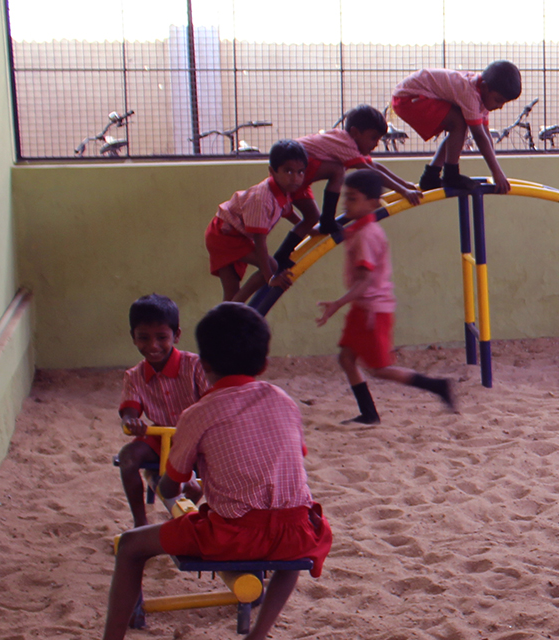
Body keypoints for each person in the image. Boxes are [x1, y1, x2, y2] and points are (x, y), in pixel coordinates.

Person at [102, 302, 332, 640]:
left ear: (204, 364)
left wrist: (180, 487)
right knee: (291, 553)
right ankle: (259, 633)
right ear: (265, 363)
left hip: (232, 536)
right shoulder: (284, 400)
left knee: (130, 548)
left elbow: (169, 488)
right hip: (295, 531)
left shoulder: (198, 413)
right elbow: (290, 457)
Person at [317, 169, 457, 424]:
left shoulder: (366, 236)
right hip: (364, 308)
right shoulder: (358, 230)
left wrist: (336, 304)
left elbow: (364, 281)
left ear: (372, 203)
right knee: (346, 358)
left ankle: (437, 386)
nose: (346, 203)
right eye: (345, 197)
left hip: (372, 311)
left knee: (380, 369)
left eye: (353, 198)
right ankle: (369, 413)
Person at [275, 104, 424, 268]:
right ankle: (328, 220)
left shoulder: (349, 145)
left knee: (311, 218)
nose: (375, 144)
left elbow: (376, 167)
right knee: (338, 170)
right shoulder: (346, 143)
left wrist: (405, 184)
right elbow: (371, 172)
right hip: (295, 172)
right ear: (355, 133)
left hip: (300, 178)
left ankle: (282, 254)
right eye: (373, 137)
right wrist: (403, 191)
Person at [113, 294, 209, 528]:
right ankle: (140, 523)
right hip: (161, 438)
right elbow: (129, 412)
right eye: (143, 338)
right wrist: (131, 421)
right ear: (133, 338)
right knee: (128, 456)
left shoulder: (195, 365)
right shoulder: (134, 376)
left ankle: (184, 511)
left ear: (176, 335)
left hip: (197, 438)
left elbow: (212, 402)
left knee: (212, 468)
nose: (153, 346)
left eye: (162, 337)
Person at [391, 60, 520, 195]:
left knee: (458, 125)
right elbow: (479, 136)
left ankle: (431, 175)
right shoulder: (469, 93)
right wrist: (496, 172)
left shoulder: (481, 96)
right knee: (459, 122)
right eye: (498, 100)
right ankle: (450, 174)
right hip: (407, 99)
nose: (500, 106)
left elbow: (486, 135)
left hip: (416, 96)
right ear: (484, 87)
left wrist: (496, 170)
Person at [206, 140, 306, 303]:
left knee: (231, 291)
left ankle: (229, 315)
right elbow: (260, 242)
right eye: (288, 171)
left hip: (227, 233)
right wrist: (270, 278)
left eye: (300, 172)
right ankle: (236, 309)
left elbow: (288, 212)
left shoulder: (284, 191)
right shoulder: (262, 199)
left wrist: (311, 228)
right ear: (272, 172)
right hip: (224, 235)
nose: (295, 178)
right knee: (272, 265)